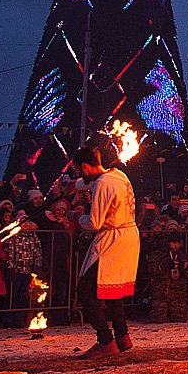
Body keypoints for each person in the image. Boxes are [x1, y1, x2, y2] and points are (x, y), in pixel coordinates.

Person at [75, 146, 140, 359]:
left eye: (79, 171)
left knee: (86, 288)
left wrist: (77, 218)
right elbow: (91, 181)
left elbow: (94, 222)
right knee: (112, 288)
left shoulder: (102, 183)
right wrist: (74, 186)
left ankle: (105, 340)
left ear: (84, 167)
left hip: (112, 238)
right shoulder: (118, 175)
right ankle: (122, 336)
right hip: (128, 235)